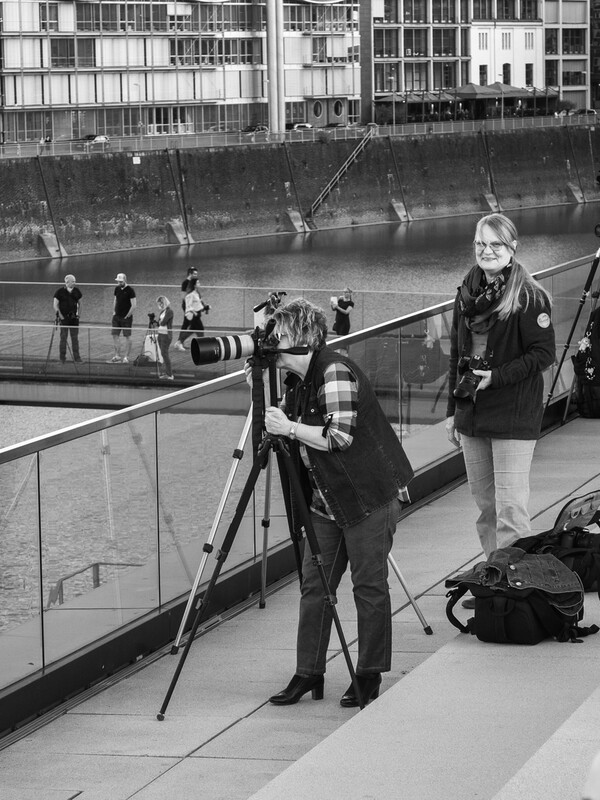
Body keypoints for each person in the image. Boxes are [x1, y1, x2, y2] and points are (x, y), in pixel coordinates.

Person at [246, 297, 413, 708]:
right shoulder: (296, 382)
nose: (272, 344)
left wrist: (289, 427)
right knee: (314, 587)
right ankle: (308, 673)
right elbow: (277, 427)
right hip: (325, 500)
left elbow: (339, 437)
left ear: (301, 339)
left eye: (278, 336)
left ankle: (369, 673)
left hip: (368, 496)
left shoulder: (334, 371)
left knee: (368, 586)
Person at [445, 213, 555, 607]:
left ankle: (519, 590)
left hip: (512, 413)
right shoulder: (466, 293)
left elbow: (543, 354)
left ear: (511, 249)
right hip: (472, 415)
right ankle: (495, 583)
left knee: (511, 508)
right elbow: (458, 356)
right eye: (481, 244)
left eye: (496, 245)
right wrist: (451, 412)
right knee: (486, 507)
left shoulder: (529, 295)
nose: (487, 251)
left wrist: (497, 377)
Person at [53, 274, 82, 363]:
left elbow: (81, 304)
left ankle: (77, 358)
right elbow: (55, 305)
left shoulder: (77, 291)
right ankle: (62, 358)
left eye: (74, 281)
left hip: (74, 319)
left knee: (75, 339)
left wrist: (78, 316)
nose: (74, 283)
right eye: (73, 281)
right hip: (64, 319)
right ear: (67, 282)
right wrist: (61, 317)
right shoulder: (59, 292)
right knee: (63, 339)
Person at [109, 272, 137, 363]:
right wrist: (114, 312)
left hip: (126, 318)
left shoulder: (130, 290)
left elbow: (134, 305)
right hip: (116, 316)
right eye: (118, 281)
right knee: (115, 335)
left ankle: (126, 357)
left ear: (125, 280)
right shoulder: (117, 289)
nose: (119, 283)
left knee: (127, 336)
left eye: (121, 281)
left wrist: (127, 315)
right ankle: (117, 355)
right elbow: (115, 300)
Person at [174, 278, 209, 350]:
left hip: (197, 314)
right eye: (198, 283)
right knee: (200, 329)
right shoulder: (190, 295)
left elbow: (198, 305)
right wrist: (194, 312)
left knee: (192, 330)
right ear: (194, 285)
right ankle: (202, 346)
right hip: (193, 315)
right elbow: (188, 306)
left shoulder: (197, 293)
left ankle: (179, 342)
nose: (199, 284)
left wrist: (205, 307)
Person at [156, 295, 174, 380]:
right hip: (160, 334)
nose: (159, 305)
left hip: (166, 335)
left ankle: (170, 374)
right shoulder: (162, 312)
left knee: (164, 354)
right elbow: (159, 323)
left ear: (164, 303)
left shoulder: (169, 311)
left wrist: (159, 322)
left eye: (160, 304)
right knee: (163, 354)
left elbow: (163, 323)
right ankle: (167, 373)